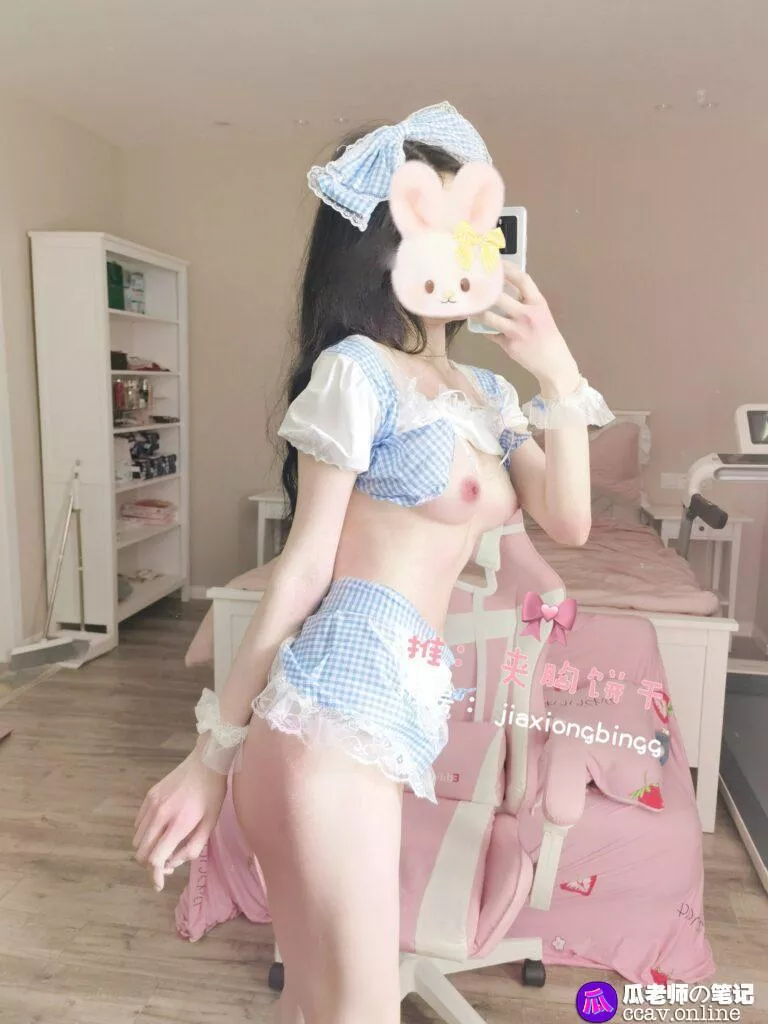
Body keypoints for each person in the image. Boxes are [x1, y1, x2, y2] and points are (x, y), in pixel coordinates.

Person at [133, 101, 613, 1024]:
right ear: (388, 242)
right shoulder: (357, 372)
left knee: (323, 1007)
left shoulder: (486, 393)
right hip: (330, 718)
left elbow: (571, 520)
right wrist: (209, 757)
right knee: (355, 1010)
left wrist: (558, 375)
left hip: (390, 714)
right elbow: (302, 570)